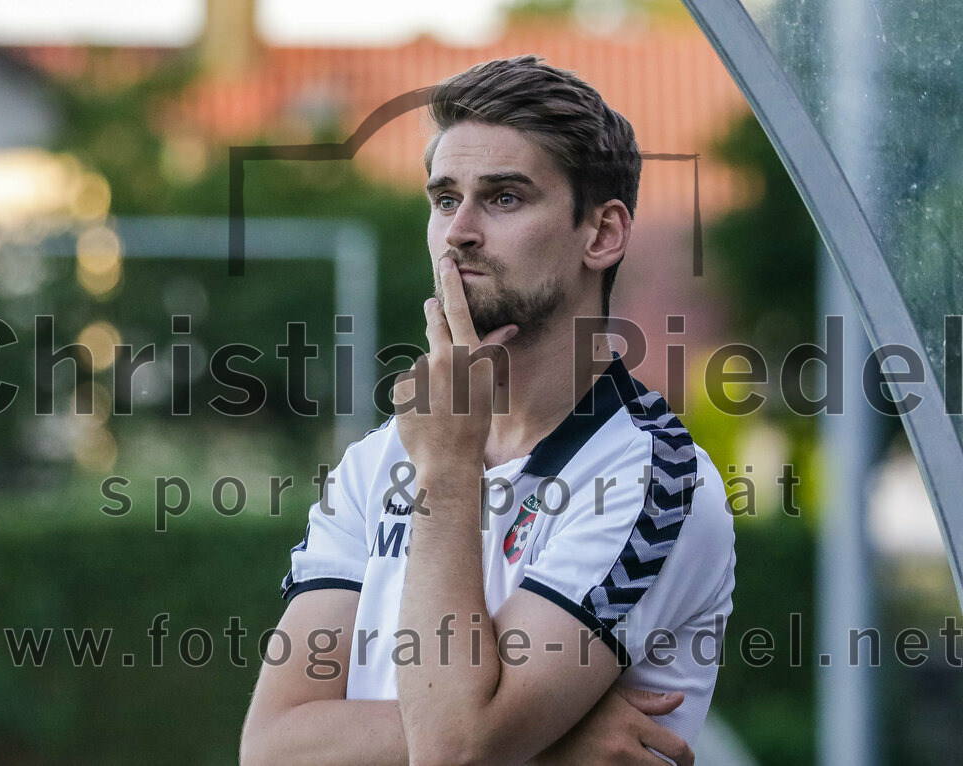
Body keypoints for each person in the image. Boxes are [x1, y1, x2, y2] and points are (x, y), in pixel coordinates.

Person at [240, 55, 735, 765]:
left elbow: (455, 749)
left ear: (601, 234)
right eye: (445, 199)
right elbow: (272, 748)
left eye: (504, 198)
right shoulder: (376, 460)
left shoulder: (654, 479)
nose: (459, 231)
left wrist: (446, 473)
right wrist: (550, 741)